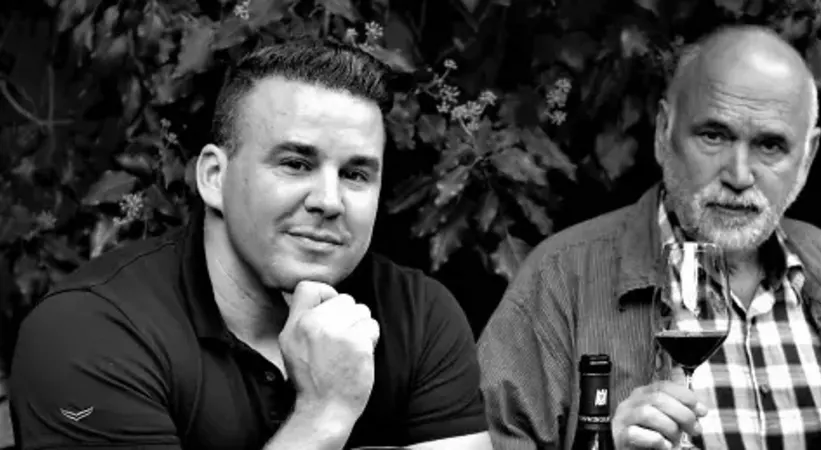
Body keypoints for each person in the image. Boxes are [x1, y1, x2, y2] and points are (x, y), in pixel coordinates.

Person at [477, 26, 821, 450]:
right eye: (714, 135)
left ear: (806, 158)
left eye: (770, 146)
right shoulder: (562, 281)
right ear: (664, 134)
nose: (739, 175)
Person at [9, 40, 492, 450]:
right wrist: (324, 414)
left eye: (355, 174)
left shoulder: (418, 316)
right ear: (213, 177)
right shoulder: (90, 333)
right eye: (296, 164)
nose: (329, 201)